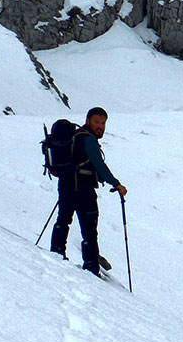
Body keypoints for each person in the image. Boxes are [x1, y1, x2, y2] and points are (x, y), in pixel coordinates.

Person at [49, 107, 127, 276]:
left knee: (63, 219)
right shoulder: (88, 139)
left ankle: (56, 252)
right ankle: (91, 266)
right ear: (88, 121)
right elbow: (99, 165)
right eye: (97, 122)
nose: (100, 126)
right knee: (89, 229)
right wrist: (117, 184)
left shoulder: (76, 136)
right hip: (83, 187)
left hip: (66, 183)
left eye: (103, 123)